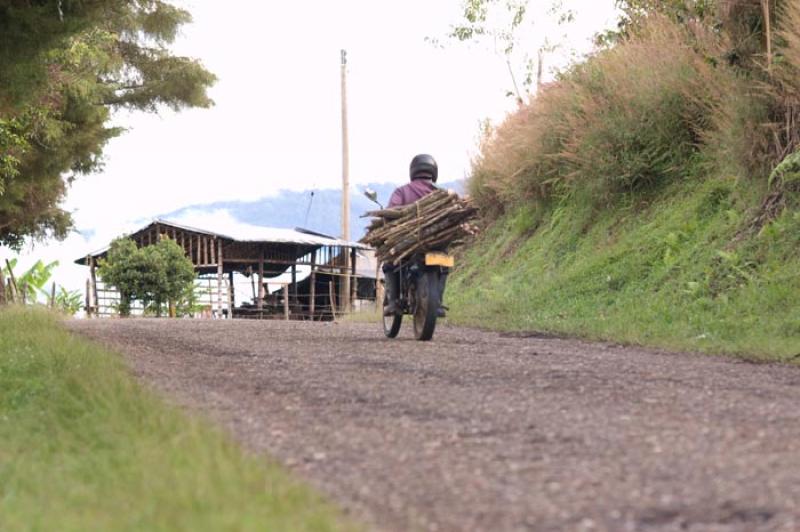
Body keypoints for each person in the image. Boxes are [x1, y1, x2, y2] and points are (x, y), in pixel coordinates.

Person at [383, 154, 447, 317]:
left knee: (389, 262)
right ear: (433, 171)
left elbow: (391, 211)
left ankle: (393, 303)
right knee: (444, 263)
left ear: (413, 171)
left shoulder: (402, 191)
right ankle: (438, 302)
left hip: (408, 241)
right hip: (437, 242)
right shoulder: (442, 193)